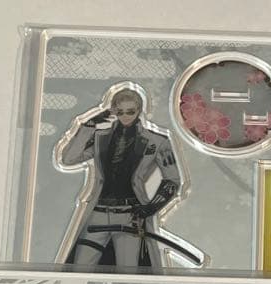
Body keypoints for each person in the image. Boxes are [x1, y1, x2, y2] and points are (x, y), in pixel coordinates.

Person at [55, 85, 204, 271]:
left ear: (139, 110)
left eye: (130, 111)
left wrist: (150, 208)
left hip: (130, 214)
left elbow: (172, 181)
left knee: (129, 271)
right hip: (98, 212)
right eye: (120, 112)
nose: (125, 116)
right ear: (114, 111)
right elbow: (68, 159)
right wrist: (88, 126)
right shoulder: (101, 138)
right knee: (78, 268)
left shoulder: (156, 141)